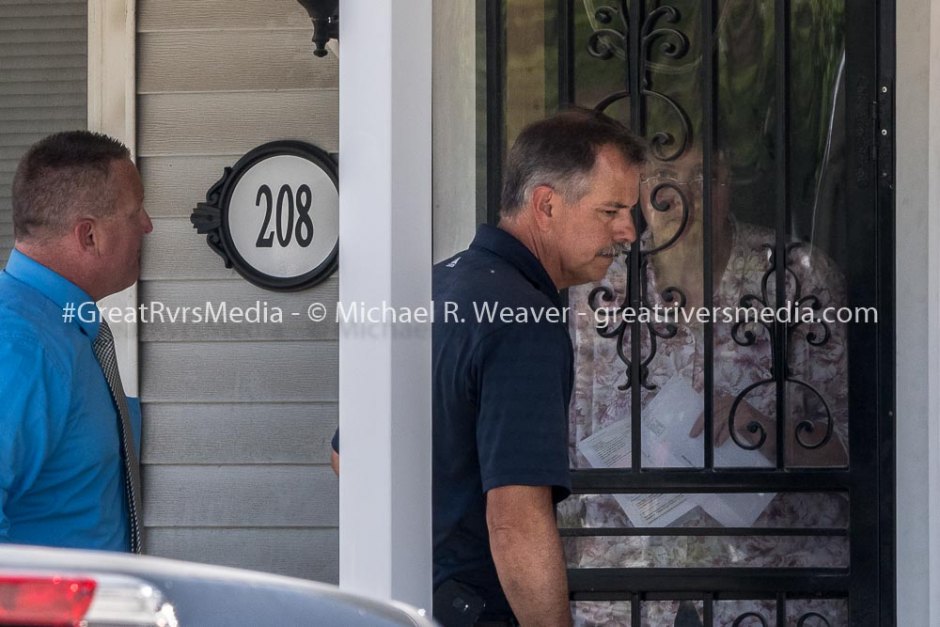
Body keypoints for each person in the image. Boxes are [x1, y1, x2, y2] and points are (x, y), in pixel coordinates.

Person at [562, 148, 849, 625]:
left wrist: (766, 431)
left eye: (704, 176)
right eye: (664, 175)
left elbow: (857, 447)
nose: (683, 194)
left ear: (730, 179)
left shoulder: (797, 277)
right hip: (626, 586)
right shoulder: (598, 287)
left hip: (772, 585)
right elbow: (569, 445)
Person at [432, 108, 645, 626]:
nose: (629, 232)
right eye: (611, 210)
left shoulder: (433, 286)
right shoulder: (523, 319)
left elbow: (346, 457)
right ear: (546, 205)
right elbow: (516, 523)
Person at [0, 131, 153, 552]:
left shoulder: (60, 328)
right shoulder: (21, 347)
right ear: (89, 236)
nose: (147, 225)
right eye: (135, 211)